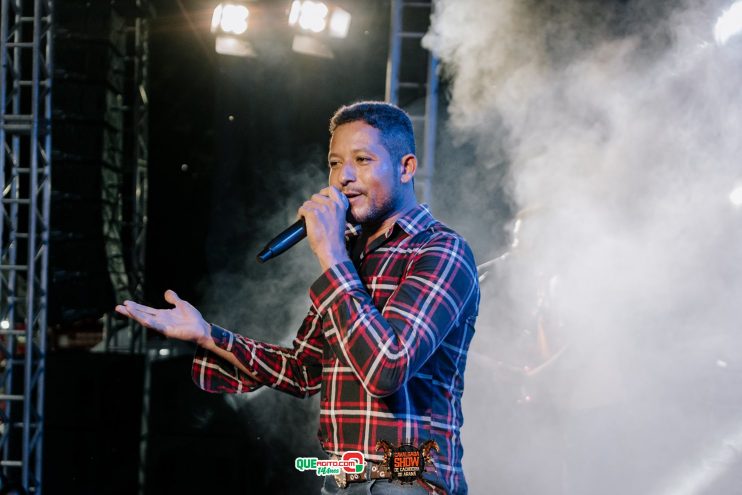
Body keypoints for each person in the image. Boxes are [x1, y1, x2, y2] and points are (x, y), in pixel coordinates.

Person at [115, 101, 480, 495]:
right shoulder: (350, 259)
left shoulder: (440, 251)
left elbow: (387, 368)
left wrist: (332, 257)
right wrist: (207, 335)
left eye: (362, 159)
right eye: (335, 163)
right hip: (340, 482)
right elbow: (304, 370)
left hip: (407, 480)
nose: (344, 177)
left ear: (406, 167)